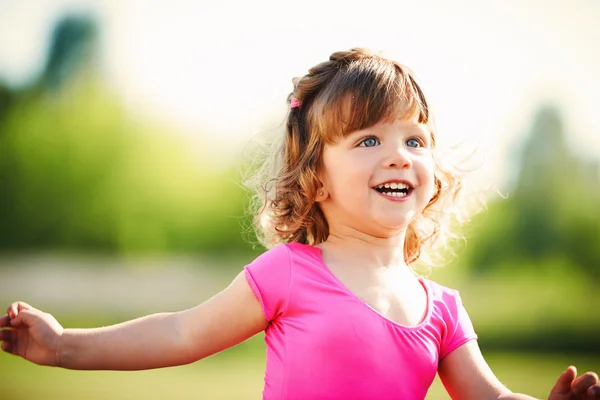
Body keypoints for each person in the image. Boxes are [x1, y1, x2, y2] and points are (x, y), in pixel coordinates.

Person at [1, 48, 598, 400]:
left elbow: (488, 395)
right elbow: (182, 334)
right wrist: (62, 346)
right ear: (315, 179)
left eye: (415, 139)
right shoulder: (289, 273)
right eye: (369, 139)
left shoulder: (442, 308)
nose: (399, 155)